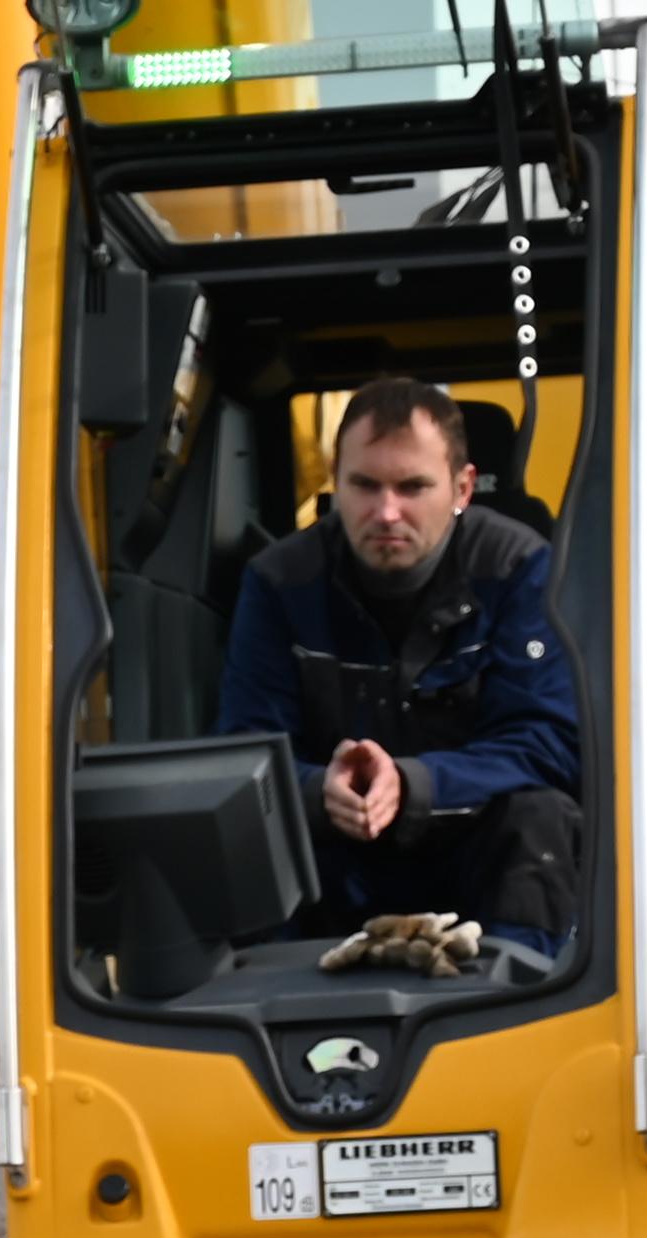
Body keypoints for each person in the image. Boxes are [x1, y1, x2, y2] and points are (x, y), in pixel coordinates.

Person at [211, 373, 582, 973]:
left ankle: (520, 992)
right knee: (256, 819)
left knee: (540, 815)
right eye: (364, 485)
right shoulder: (279, 581)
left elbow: (551, 746)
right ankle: (267, 997)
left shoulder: (519, 567)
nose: (386, 512)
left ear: (463, 489)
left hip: (475, 850)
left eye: (412, 487)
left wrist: (413, 786)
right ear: (335, 481)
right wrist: (316, 790)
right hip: (336, 859)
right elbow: (242, 750)